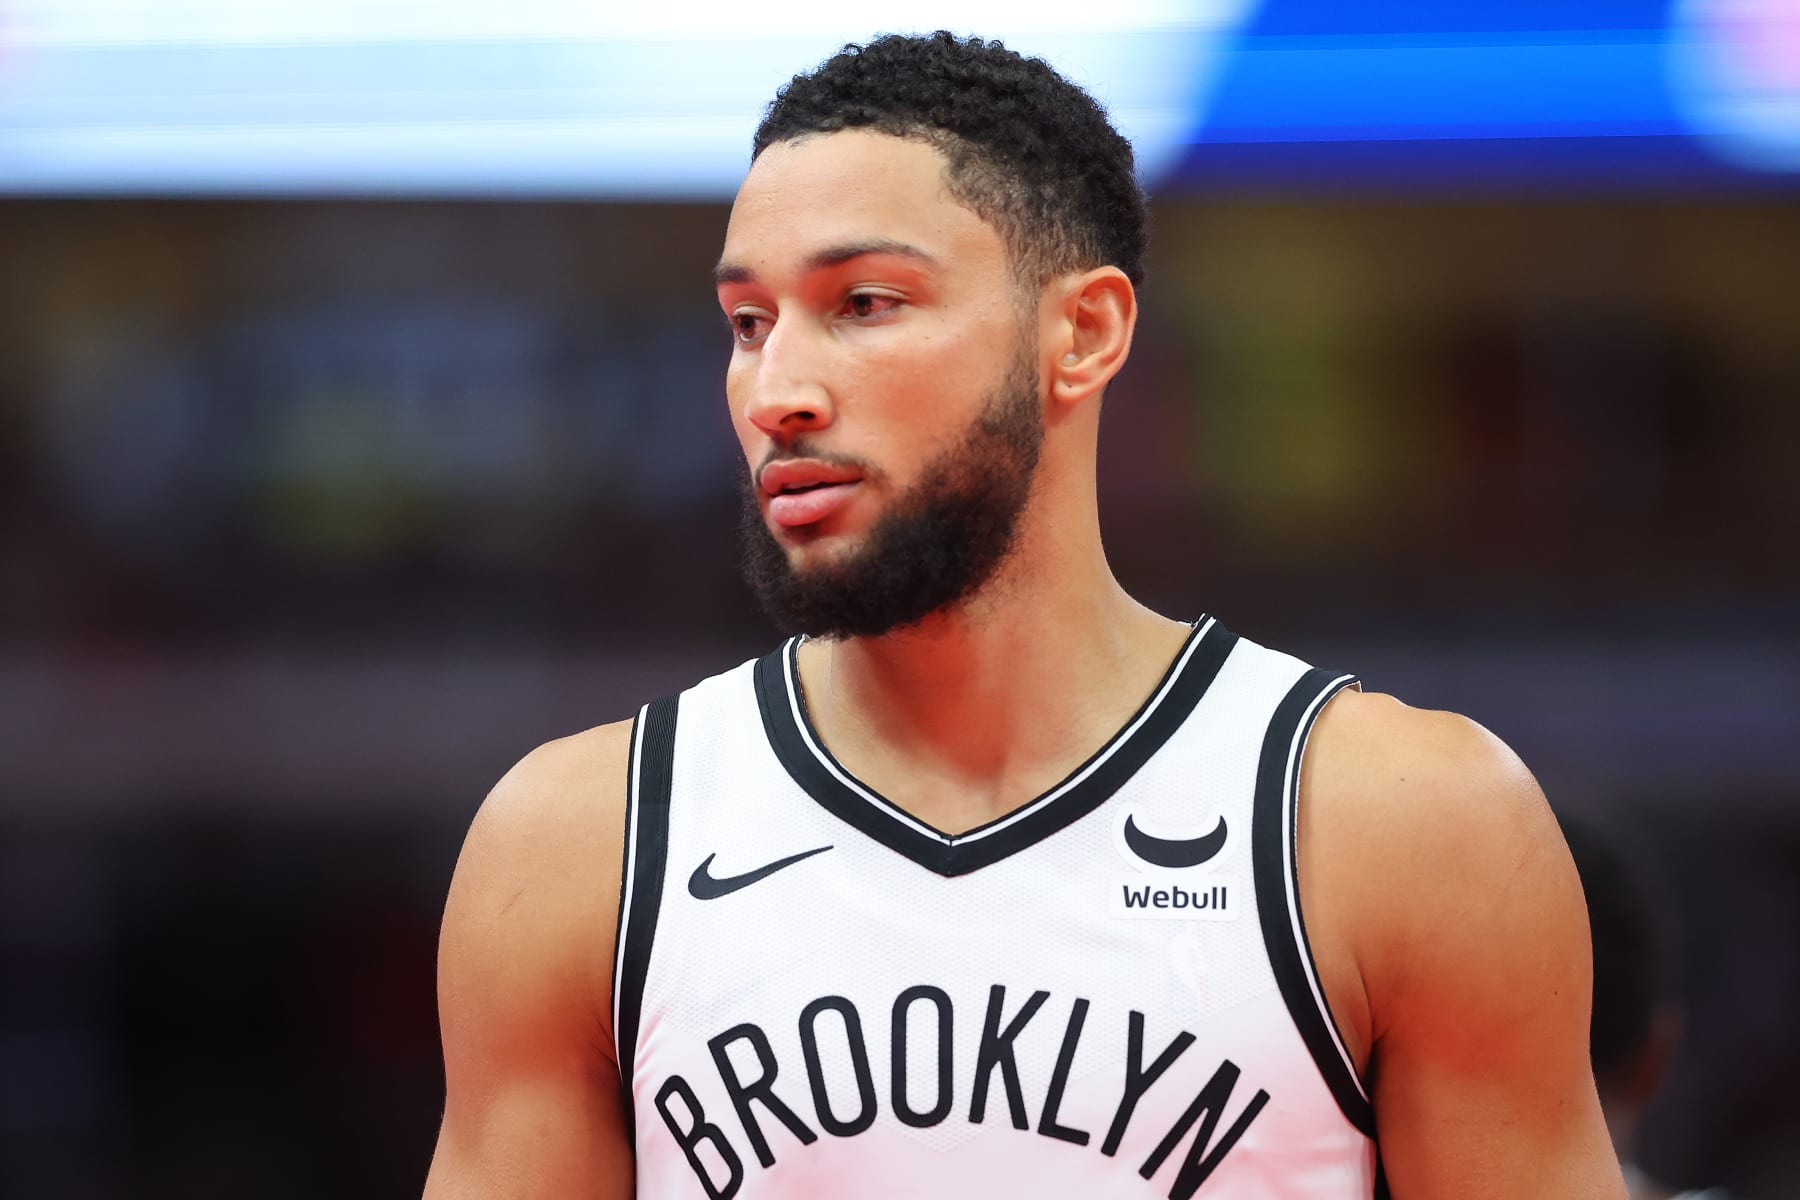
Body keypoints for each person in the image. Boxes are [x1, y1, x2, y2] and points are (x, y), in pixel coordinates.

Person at [424, 32, 1626, 1198]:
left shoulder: (1407, 826)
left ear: (1083, 333)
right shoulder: (578, 847)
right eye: (750, 324)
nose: (778, 391)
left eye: (867, 302)